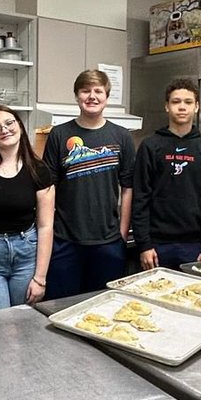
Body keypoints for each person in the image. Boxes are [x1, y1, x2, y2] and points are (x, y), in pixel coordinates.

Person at [43, 69, 134, 298]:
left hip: (109, 242)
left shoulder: (122, 136)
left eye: (98, 91)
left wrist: (122, 233)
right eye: (85, 91)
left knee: (102, 306)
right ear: (76, 96)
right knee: (60, 306)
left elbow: (128, 187)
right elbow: (48, 188)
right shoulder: (59, 134)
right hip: (65, 241)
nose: (91, 96)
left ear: (106, 96)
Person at [131, 78, 201, 269]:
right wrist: (144, 245)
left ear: (196, 107)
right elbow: (140, 198)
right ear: (167, 106)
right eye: (176, 102)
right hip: (157, 246)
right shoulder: (150, 146)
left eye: (188, 102)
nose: (182, 107)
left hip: (196, 247)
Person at [0, 106, 54, 311]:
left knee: (24, 326)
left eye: (9, 123)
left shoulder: (39, 169)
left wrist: (40, 278)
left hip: (26, 254)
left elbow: (45, 226)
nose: (4, 130)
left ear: (20, 127)